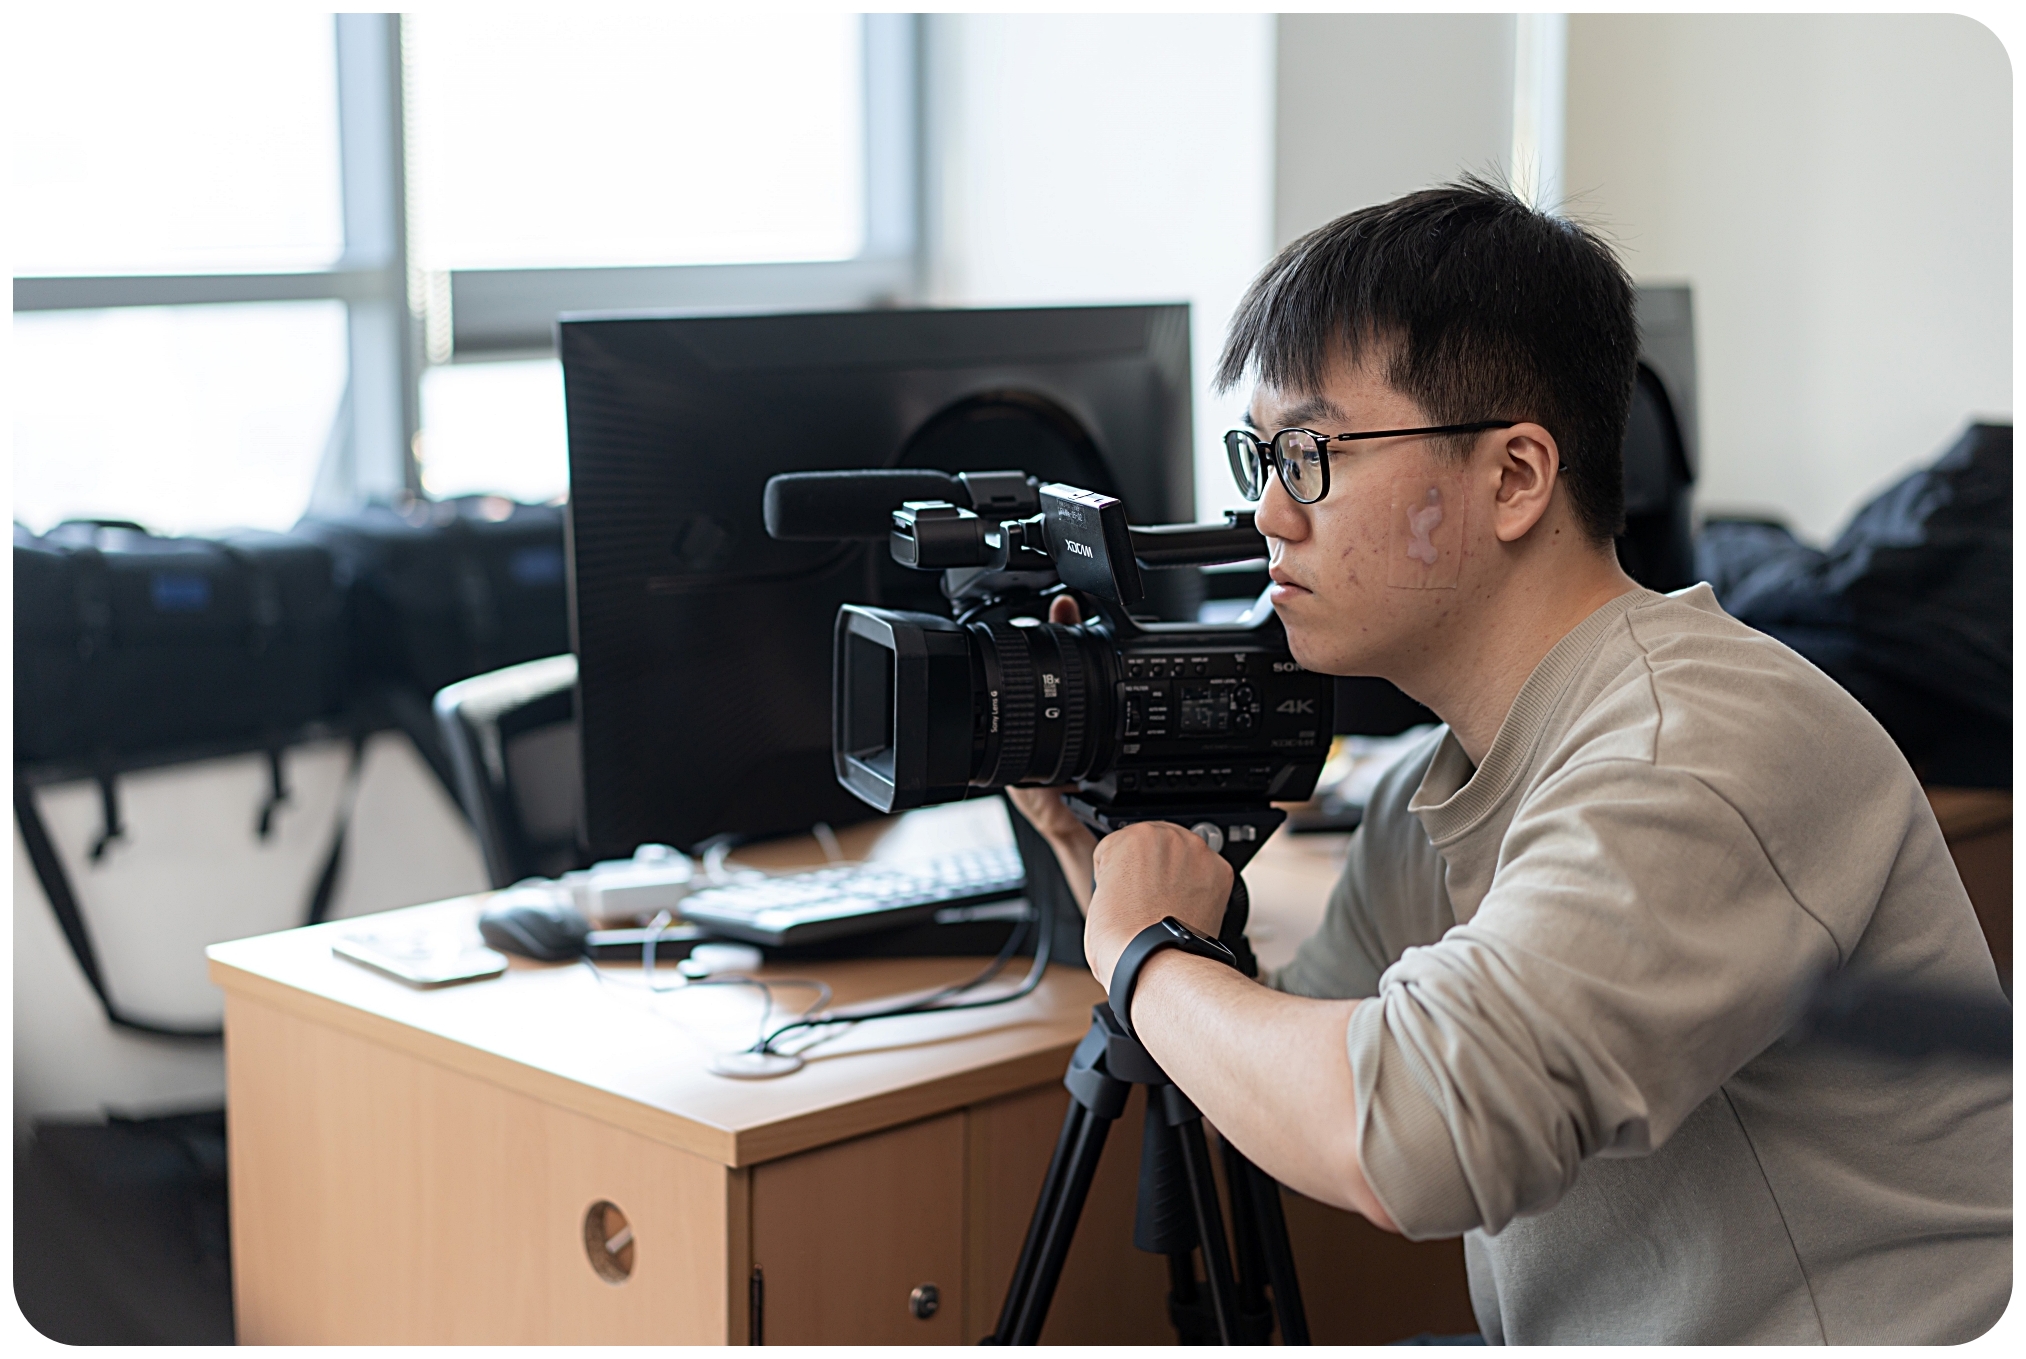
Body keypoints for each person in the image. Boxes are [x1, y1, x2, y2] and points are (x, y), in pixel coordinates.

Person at [1010, 179, 2011, 1344]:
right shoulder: (1430, 788)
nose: (1270, 514)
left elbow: (1405, 1138)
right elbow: (1292, 1074)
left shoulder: (1693, 746)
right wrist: (1107, 867)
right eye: (1259, 457)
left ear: (1515, 479)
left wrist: (1140, 954)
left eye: (1311, 453)